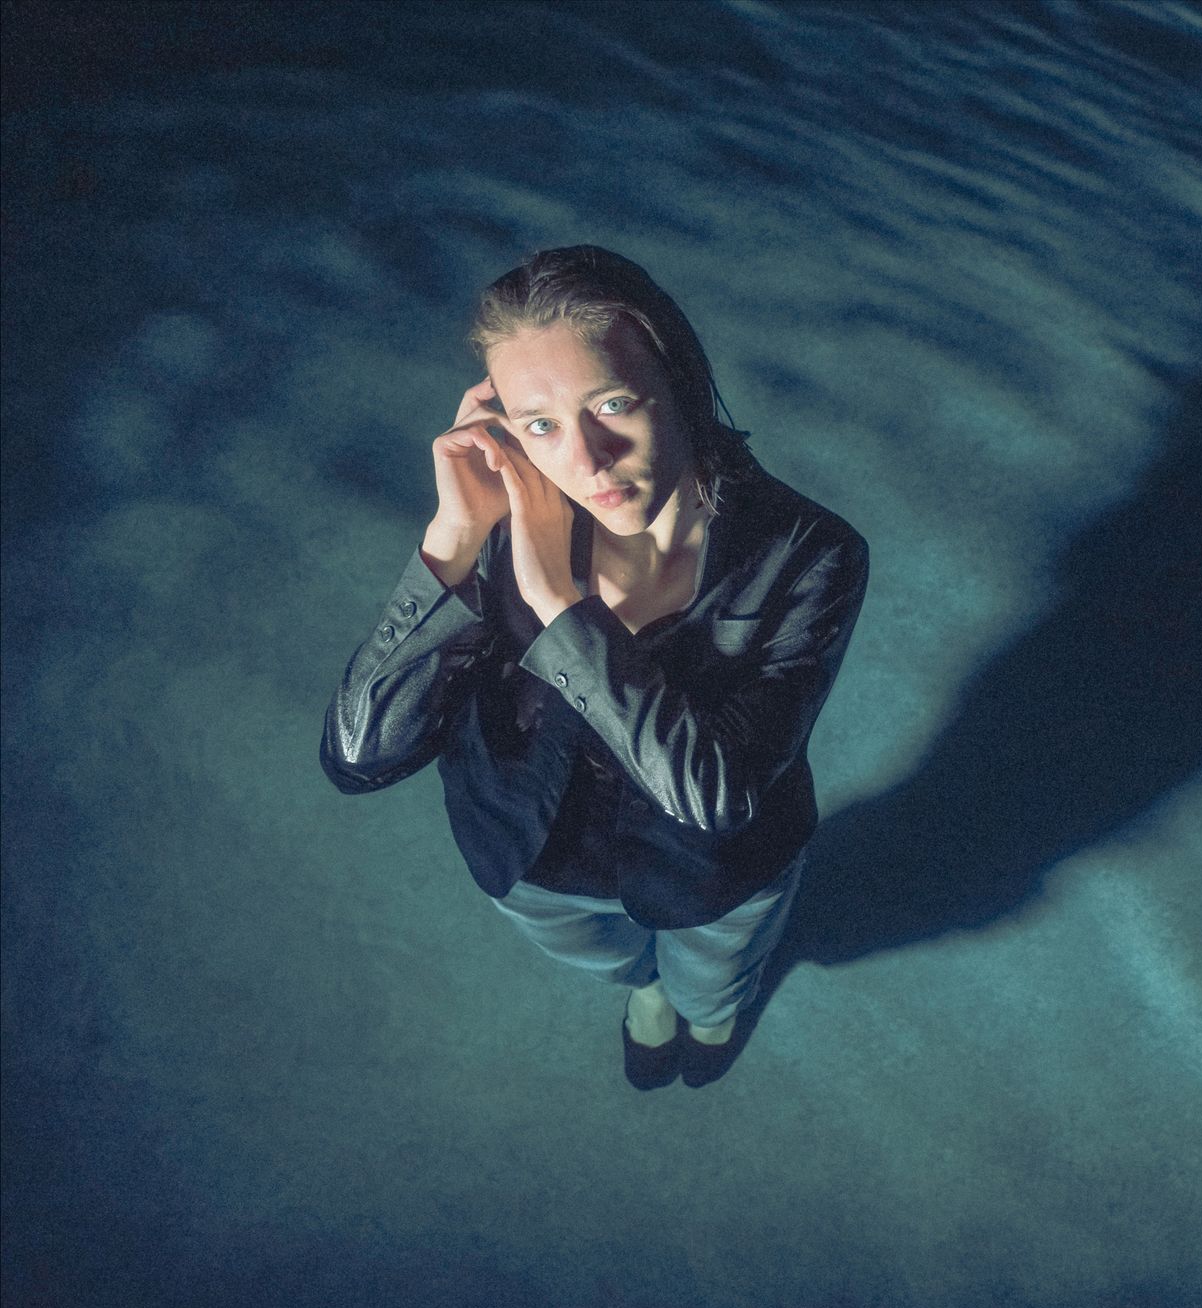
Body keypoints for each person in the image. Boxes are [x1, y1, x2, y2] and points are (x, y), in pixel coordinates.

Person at [321, 245, 869, 1090]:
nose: (587, 459)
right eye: (539, 423)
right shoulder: (499, 528)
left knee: (715, 980)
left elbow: (713, 801)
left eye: (613, 403)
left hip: (716, 878)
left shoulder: (810, 551)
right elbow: (358, 758)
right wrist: (451, 541)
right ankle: (647, 988)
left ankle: (711, 1005)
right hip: (530, 858)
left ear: (679, 381)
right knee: (619, 967)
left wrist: (559, 607)